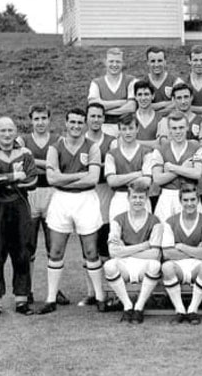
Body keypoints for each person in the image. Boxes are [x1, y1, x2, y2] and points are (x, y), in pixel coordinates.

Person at [37, 108, 107, 315]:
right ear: (66, 124)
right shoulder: (55, 148)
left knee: (91, 251)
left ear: (84, 125)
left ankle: (100, 296)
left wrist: (64, 176)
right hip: (61, 199)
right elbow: (52, 179)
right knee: (56, 250)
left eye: (79, 123)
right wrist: (78, 175)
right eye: (72, 122)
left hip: (86, 199)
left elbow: (93, 178)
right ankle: (51, 299)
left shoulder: (92, 147)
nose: (76, 126)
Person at [0, 117, 38, 318]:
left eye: (10, 130)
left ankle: (22, 299)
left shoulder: (25, 153)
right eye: (2, 130)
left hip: (20, 207)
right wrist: (14, 177)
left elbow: (32, 179)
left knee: (22, 252)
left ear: (15, 132)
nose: (6, 134)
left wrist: (5, 181)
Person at [17, 105, 69, 306]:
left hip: (53, 193)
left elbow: (59, 167)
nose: (40, 122)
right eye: (36, 118)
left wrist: (34, 162)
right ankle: (26, 290)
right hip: (30, 193)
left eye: (44, 118)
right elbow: (23, 162)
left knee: (53, 246)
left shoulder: (58, 141)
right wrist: (47, 163)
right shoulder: (22, 140)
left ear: (49, 120)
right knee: (27, 245)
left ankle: (54, 291)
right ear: (31, 120)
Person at [104, 180, 162, 324]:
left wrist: (124, 250)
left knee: (155, 266)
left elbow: (155, 254)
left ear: (146, 198)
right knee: (109, 266)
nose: (137, 201)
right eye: (134, 197)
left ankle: (139, 308)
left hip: (144, 264)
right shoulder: (118, 220)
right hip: (125, 264)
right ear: (128, 198)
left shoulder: (155, 221)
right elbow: (113, 252)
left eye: (141, 197)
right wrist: (143, 245)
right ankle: (127, 306)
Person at [160, 184, 202, 325]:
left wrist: (182, 247)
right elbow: (167, 253)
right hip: (178, 265)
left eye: (192, 200)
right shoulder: (170, 222)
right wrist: (196, 251)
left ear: (198, 201)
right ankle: (180, 310)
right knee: (166, 267)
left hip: (197, 265)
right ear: (180, 201)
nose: (189, 204)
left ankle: (192, 310)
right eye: (186, 200)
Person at [83, 103, 116, 306]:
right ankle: (91, 292)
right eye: (92, 116)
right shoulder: (80, 140)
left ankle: (109, 291)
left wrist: (93, 167)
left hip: (107, 193)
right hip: (86, 194)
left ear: (104, 119)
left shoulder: (111, 141)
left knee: (106, 246)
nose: (96, 119)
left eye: (99, 116)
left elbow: (115, 165)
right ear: (87, 118)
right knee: (88, 246)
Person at [152, 111, 202, 222]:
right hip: (167, 197)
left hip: (190, 195)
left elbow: (197, 173)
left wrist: (172, 168)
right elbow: (157, 179)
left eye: (181, 127)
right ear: (169, 130)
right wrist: (184, 168)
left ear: (187, 127)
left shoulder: (196, 146)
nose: (178, 132)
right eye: (174, 128)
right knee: (165, 234)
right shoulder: (160, 149)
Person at [104, 113, 155, 220]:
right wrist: (137, 174)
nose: (128, 132)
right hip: (120, 198)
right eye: (124, 129)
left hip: (141, 197)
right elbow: (112, 181)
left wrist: (120, 179)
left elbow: (146, 181)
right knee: (117, 233)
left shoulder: (147, 152)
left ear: (137, 129)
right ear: (119, 131)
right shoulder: (111, 154)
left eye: (131, 128)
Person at [87, 47, 136, 136]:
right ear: (106, 62)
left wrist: (103, 111)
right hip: (103, 127)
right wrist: (121, 102)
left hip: (125, 127)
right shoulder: (96, 83)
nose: (114, 65)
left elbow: (131, 107)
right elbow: (93, 106)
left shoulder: (131, 81)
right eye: (111, 61)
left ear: (123, 63)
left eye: (118, 62)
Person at [144, 46, 183, 116]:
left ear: (165, 62)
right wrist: (165, 104)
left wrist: (153, 108)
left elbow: (180, 103)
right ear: (147, 62)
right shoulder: (142, 83)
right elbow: (140, 106)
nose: (156, 65)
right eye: (153, 61)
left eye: (160, 61)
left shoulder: (176, 82)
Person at [134, 80, 161, 149]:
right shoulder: (129, 117)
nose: (143, 98)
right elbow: (123, 142)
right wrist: (153, 143)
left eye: (146, 94)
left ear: (153, 96)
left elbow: (160, 144)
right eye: (140, 95)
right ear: (135, 97)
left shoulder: (161, 118)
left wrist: (133, 142)